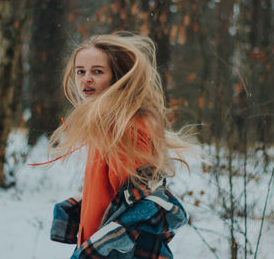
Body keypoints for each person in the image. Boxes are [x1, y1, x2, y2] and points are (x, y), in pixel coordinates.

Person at [46, 32, 193, 259]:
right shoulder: (106, 124)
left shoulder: (123, 128)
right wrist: (83, 208)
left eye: (97, 71)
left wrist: (96, 248)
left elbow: (138, 205)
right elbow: (117, 195)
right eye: (80, 72)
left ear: (117, 77)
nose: (86, 79)